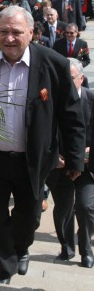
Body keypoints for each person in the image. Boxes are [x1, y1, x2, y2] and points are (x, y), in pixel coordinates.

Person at [0, 7, 85, 284]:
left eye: (16, 32)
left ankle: (21, 247)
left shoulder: (53, 63)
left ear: (32, 33)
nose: (9, 38)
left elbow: (71, 114)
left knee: (29, 216)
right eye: (3, 32)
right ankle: (6, 264)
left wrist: (74, 159)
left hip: (33, 160)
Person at [46, 58, 94, 268]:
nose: (66, 82)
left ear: (81, 79)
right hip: (60, 165)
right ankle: (67, 247)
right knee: (63, 209)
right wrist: (54, 155)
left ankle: (86, 250)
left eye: (71, 78)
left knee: (85, 206)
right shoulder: (51, 101)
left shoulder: (92, 99)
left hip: (86, 165)